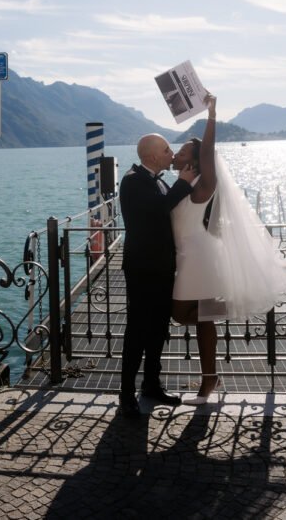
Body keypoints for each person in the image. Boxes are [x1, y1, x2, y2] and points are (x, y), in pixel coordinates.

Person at [171, 94, 286, 404]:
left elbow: (208, 150)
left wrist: (211, 115)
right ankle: (210, 378)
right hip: (187, 258)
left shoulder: (204, 185)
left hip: (199, 259)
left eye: (182, 150)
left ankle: (243, 303)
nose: (176, 153)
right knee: (200, 318)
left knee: (179, 313)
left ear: (194, 159)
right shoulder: (181, 185)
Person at [119, 133, 197, 417]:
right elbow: (157, 210)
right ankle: (126, 393)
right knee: (137, 330)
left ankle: (152, 384)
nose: (171, 152)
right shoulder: (132, 180)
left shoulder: (160, 180)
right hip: (142, 269)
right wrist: (184, 184)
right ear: (151, 156)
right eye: (166, 149)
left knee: (158, 329)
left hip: (164, 266)